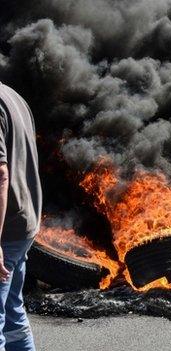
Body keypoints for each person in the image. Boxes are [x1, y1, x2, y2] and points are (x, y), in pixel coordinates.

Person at [0, 82, 42, 351]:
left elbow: (1, 176)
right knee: (13, 316)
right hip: (24, 223)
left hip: (6, 232)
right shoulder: (13, 95)